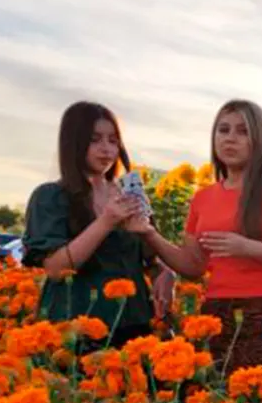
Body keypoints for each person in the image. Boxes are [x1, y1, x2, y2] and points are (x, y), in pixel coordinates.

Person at [135, 99, 262, 375]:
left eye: (243, 131)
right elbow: (192, 267)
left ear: (260, 140)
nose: (230, 138)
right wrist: (150, 234)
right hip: (216, 314)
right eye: (223, 130)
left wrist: (247, 247)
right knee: (215, 398)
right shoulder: (203, 198)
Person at [21, 101, 173, 349]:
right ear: (73, 143)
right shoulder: (50, 196)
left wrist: (164, 273)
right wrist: (106, 221)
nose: (106, 149)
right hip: (76, 327)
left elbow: (148, 256)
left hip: (134, 324)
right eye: (95, 140)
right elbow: (56, 269)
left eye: (113, 141)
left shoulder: (128, 194)